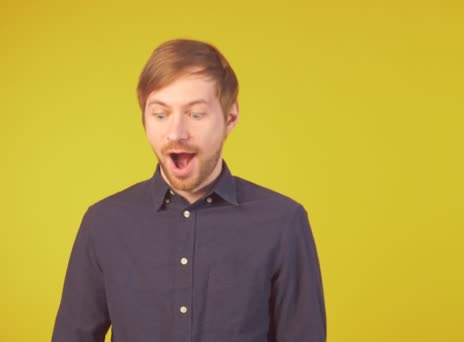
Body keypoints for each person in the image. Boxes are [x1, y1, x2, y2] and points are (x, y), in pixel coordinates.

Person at [51, 39, 326, 342]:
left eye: (195, 114)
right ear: (144, 119)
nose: (176, 133)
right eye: (160, 114)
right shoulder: (102, 223)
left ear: (230, 118)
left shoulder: (283, 222)